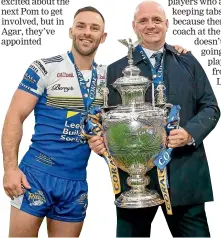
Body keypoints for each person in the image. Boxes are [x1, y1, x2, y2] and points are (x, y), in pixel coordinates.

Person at [88, 1, 220, 237]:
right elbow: (102, 121)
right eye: (144, 21)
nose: (151, 26)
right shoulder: (115, 71)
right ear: (134, 26)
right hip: (134, 180)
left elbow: (211, 107)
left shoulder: (188, 62)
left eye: (156, 20)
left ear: (167, 24)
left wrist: (190, 133)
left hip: (185, 175)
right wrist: (99, 143)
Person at [2, 6, 107, 237]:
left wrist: (176, 52)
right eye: (81, 26)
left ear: (103, 36)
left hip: (75, 182)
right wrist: (10, 169)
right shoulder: (45, 67)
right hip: (35, 176)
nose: (87, 32)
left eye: (94, 28)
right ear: (71, 31)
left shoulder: (108, 77)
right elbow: (14, 116)